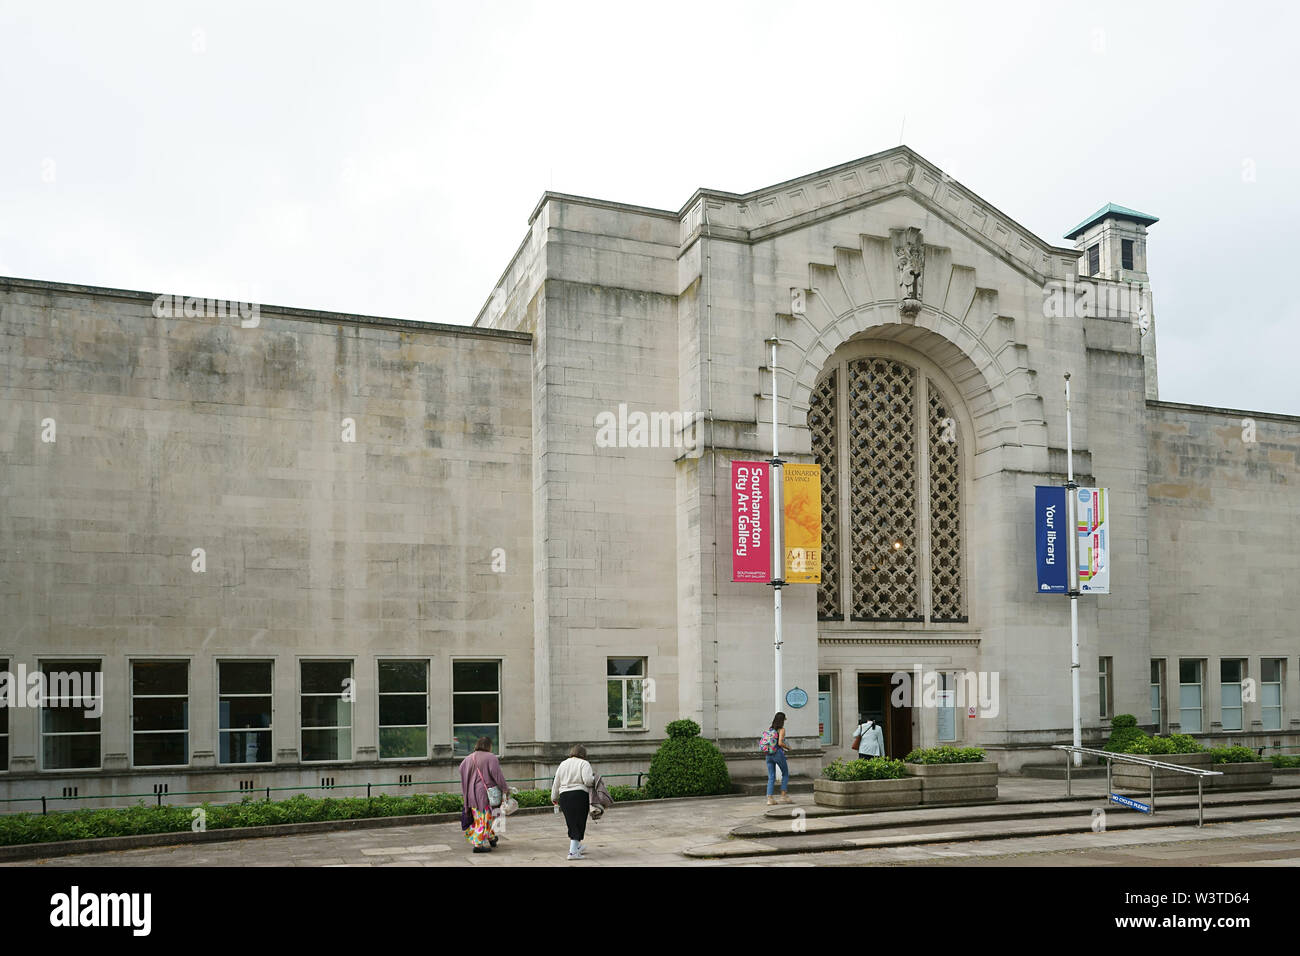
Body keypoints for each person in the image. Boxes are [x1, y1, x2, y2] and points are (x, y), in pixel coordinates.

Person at [459, 736, 509, 854]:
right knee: (486, 818)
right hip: (485, 795)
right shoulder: (491, 757)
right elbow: (498, 776)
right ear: (488, 746)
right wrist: (505, 789)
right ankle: (478, 844)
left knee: (480, 818)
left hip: (471, 794)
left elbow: (461, 769)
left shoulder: (468, 758)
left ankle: (491, 837)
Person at [551, 743, 595, 860]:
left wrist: (554, 797)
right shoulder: (584, 763)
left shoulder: (563, 764)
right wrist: (594, 779)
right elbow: (588, 781)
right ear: (583, 754)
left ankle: (577, 846)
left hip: (564, 796)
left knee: (571, 822)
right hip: (579, 795)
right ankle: (573, 852)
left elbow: (556, 782)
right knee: (579, 822)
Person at [765, 712, 793, 806]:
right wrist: (788, 748)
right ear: (782, 720)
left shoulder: (770, 729)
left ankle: (770, 798)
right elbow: (780, 743)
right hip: (778, 754)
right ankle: (783, 796)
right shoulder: (781, 730)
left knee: (771, 776)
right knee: (785, 773)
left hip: (768, 754)